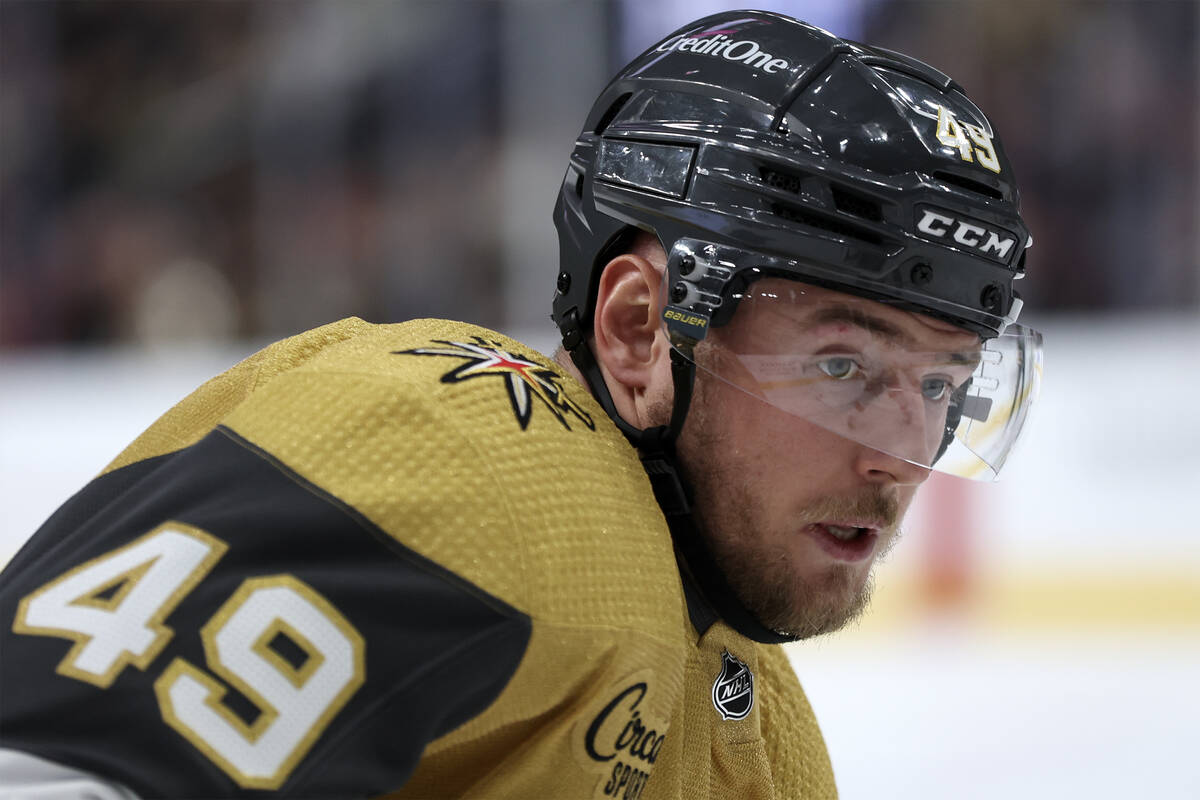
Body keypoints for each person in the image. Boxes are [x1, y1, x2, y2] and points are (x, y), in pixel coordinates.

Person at [0, 10, 1042, 799]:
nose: (902, 456)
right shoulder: (470, 460)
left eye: (942, 383)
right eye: (842, 367)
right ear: (638, 330)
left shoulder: (764, 736)